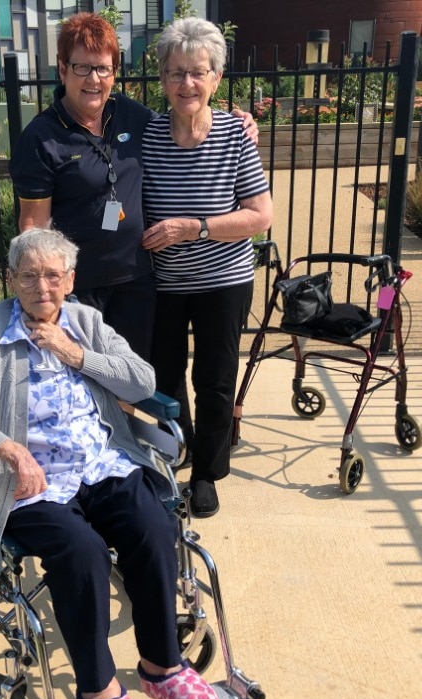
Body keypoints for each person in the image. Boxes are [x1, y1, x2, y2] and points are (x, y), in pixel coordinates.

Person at [0, 228, 221, 699]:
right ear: (13, 280)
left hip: (102, 462)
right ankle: (100, 694)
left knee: (154, 525)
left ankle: (161, 666)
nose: (42, 286)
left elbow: (142, 381)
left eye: (52, 275)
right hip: (32, 482)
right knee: (82, 551)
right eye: (29, 276)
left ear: (70, 279)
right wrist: (8, 449)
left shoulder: (86, 322)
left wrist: (76, 354)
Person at [9, 11, 258, 361]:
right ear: (62, 70)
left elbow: (184, 116)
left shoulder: (130, 115)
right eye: (82, 67)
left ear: (114, 73)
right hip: (79, 287)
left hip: (136, 282)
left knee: (133, 381)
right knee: (84, 380)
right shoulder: (40, 138)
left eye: (103, 69)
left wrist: (234, 120)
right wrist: (47, 290)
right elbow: (33, 226)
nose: (93, 79)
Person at [141, 17, 273, 519]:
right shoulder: (146, 135)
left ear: (216, 78)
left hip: (224, 281)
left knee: (215, 380)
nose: (187, 84)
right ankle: (184, 449)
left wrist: (192, 227)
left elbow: (261, 215)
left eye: (198, 72)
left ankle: (207, 475)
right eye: (176, 73)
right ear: (162, 80)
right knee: (164, 377)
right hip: (165, 284)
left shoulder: (236, 136)